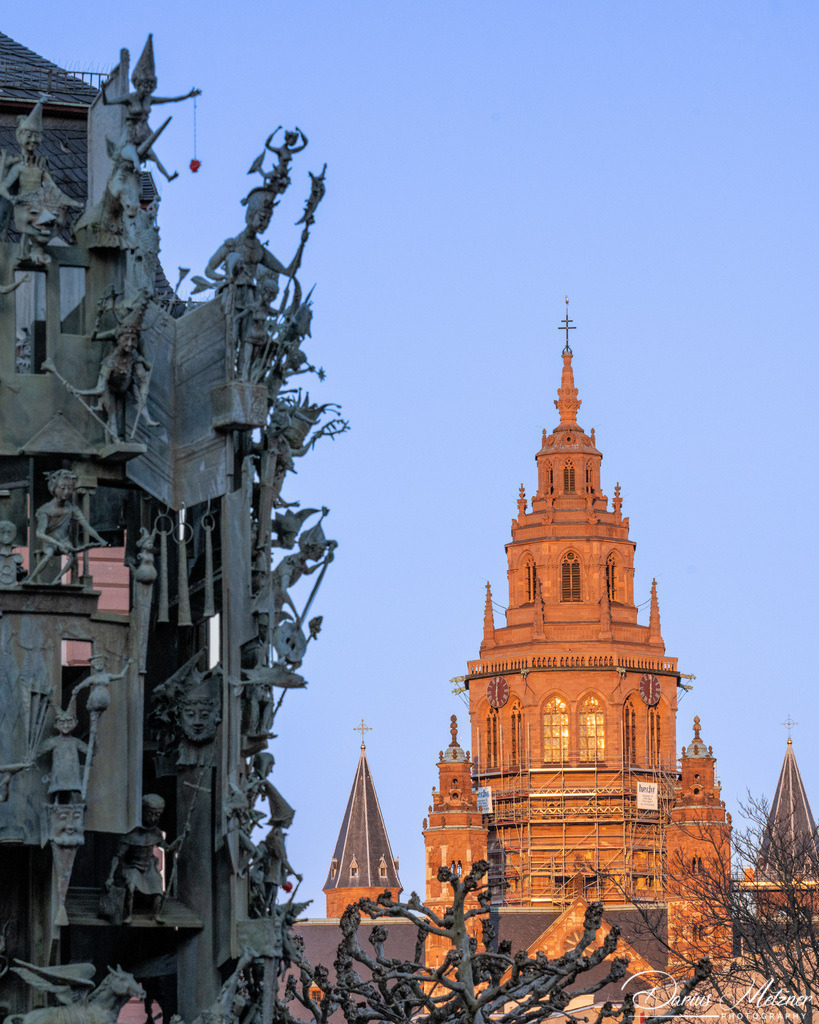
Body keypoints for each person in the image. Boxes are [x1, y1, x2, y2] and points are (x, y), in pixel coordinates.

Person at [105, 793, 187, 923]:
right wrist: (110, 877)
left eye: (157, 815)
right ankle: (128, 915)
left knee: (158, 889)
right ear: (143, 811)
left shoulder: (155, 833)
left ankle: (156, 914)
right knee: (131, 887)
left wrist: (182, 837)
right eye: (150, 814)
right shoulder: (131, 833)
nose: (153, 818)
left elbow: (168, 848)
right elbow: (117, 856)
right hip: (132, 866)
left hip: (149, 867)